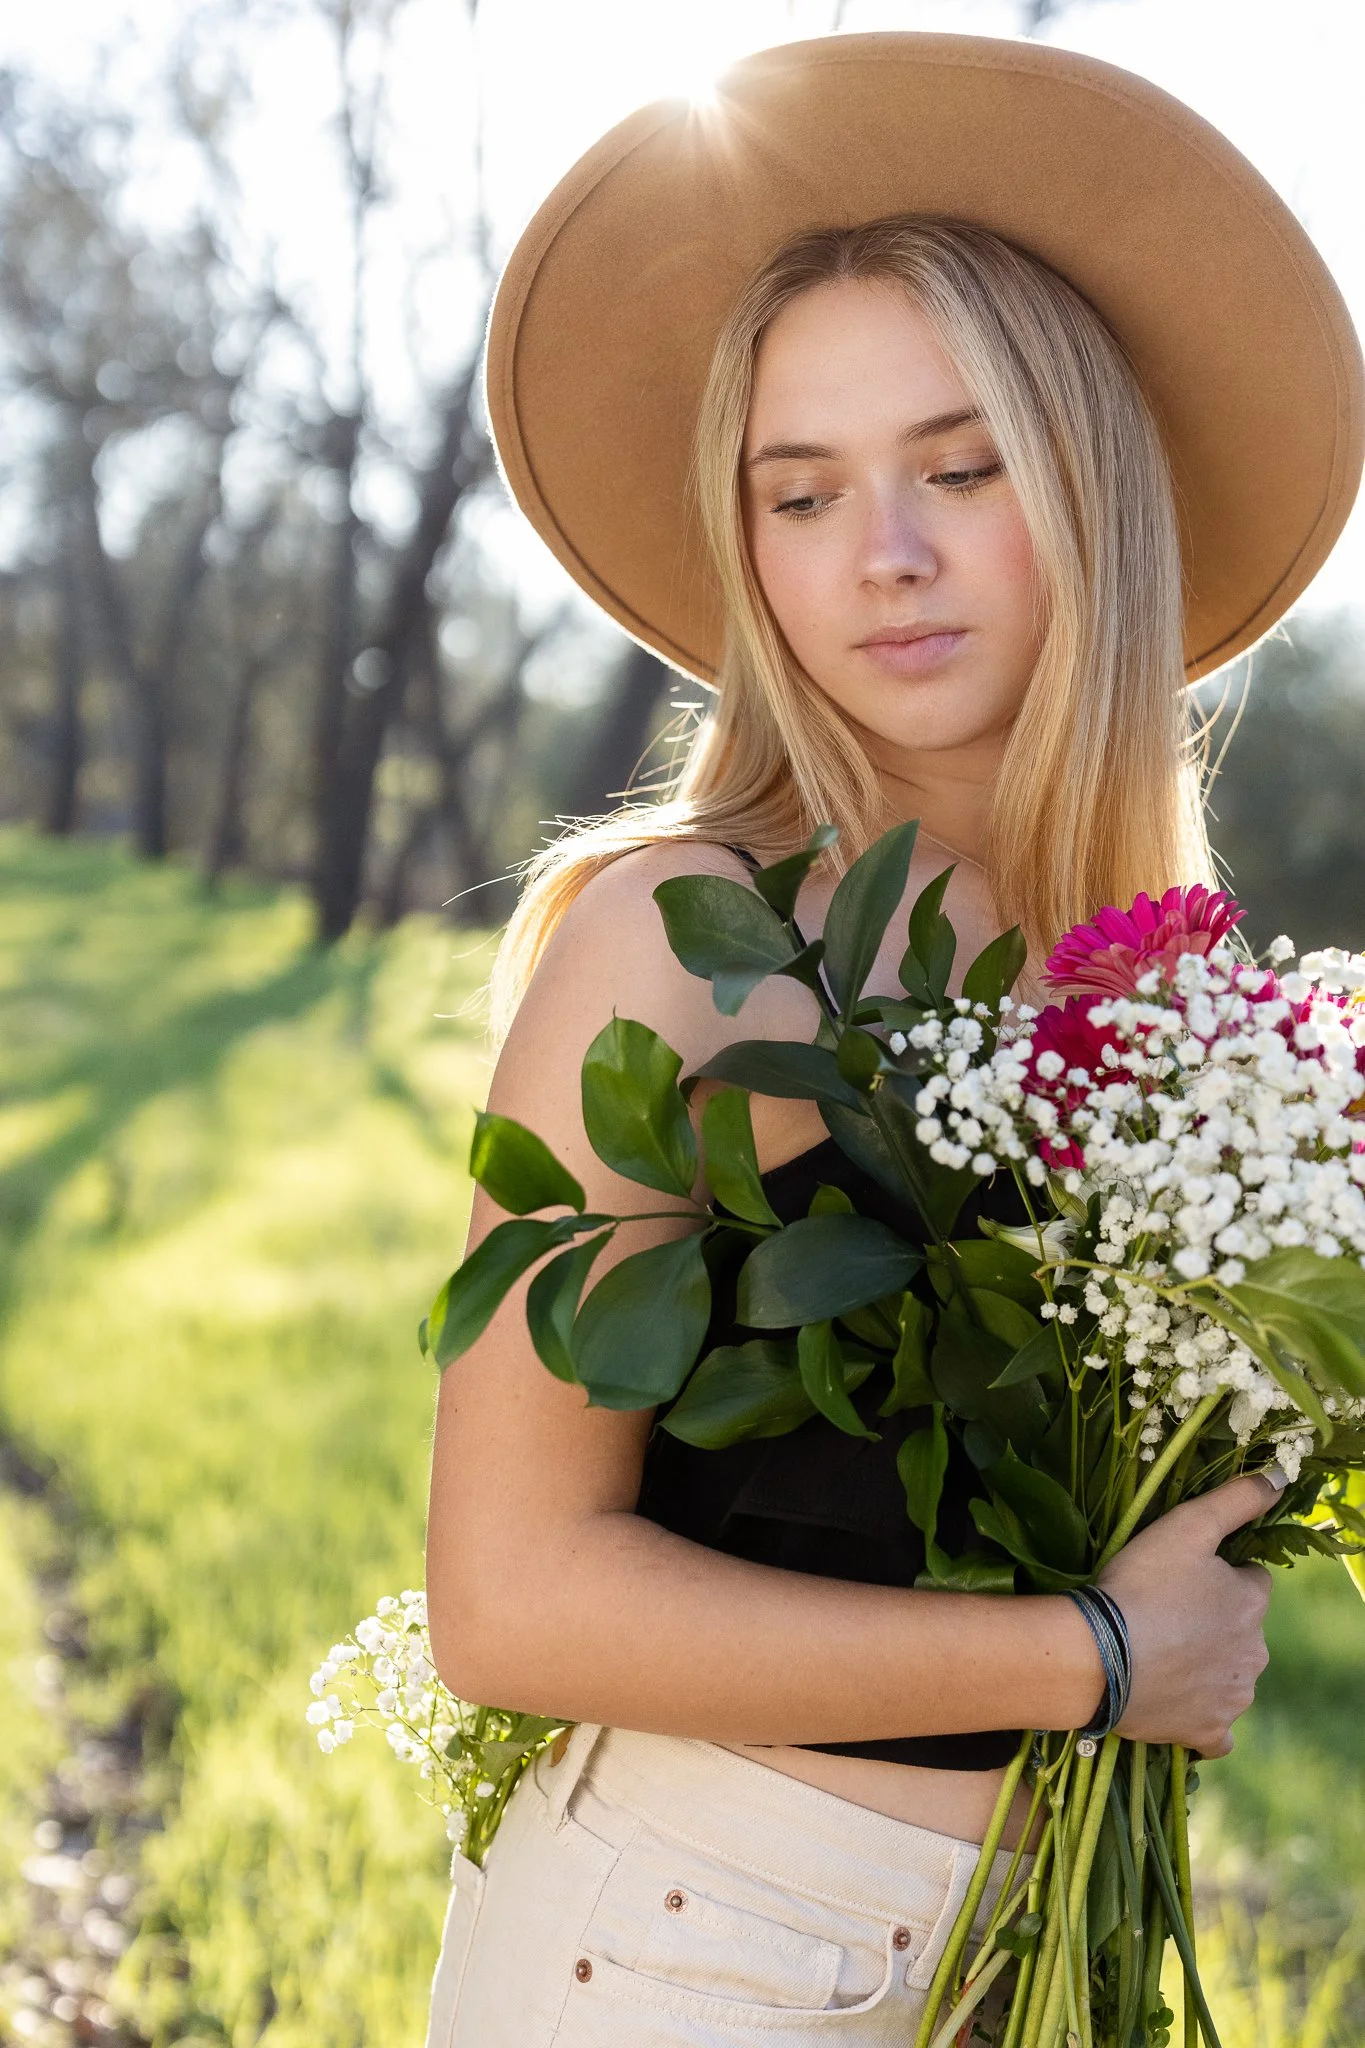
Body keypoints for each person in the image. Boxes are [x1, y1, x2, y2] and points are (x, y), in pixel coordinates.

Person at [422, 31, 1363, 2048]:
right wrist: (1097, 1659)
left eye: (962, 465)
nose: (888, 555)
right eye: (803, 489)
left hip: (1023, 1968)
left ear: (1089, 488)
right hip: (683, 1953)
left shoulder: (1164, 1009)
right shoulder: (687, 943)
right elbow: (508, 1602)